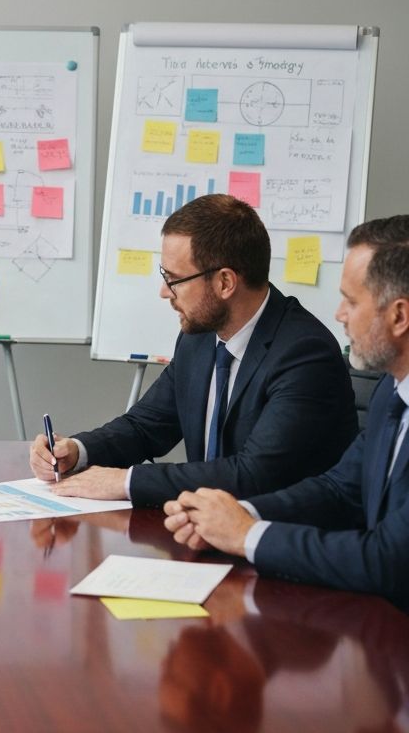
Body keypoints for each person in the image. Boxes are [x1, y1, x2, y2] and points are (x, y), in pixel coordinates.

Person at [29, 194, 358, 506]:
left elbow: (253, 475)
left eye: (174, 279)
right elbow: (145, 426)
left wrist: (124, 482)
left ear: (225, 283)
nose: (163, 292)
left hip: (284, 544)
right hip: (208, 532)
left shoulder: (304, 354)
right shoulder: (198, 339)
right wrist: (77, 450)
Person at [164, 217, 409, 611]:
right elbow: (340, 489)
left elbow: (390, 559)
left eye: (351, 301)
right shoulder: (391, 392)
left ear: (399, 316)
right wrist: (233, 514)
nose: (339, 315)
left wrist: (247, 535)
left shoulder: (307, 349)